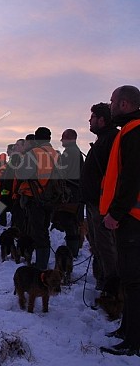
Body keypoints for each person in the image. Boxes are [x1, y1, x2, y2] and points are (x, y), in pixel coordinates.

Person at [99, 85, 140, 357]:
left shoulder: (134, 131)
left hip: (132, 217)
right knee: (128, 277)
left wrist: (116, 212)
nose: (110, 104)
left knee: (134, 280)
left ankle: (134, 340)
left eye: (113, 100)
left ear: (124, 104)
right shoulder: (128, 130)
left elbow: (131, 177)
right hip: (129, 216)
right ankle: (127, 329)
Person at [80, 103, 119, 295]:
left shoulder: (112, 139)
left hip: (103, 205)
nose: (89, 120)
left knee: (107, 246)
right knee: (97, 244)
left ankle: (112, 290)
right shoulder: (103, 139)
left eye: (93, 117)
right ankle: (103, 281)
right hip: (95, 202)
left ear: (102, 120)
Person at [16, 127, 59, 269]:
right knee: (44, 230)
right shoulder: (56, 154)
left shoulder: (34, 153)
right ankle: (42, 261)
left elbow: (21, 174)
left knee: (38, 232)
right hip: (51, 198)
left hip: (35, 198)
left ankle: (41, 266)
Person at [52, 129, 84, 257]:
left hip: (70, 194)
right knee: (72, 223)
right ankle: (73, 251)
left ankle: (72, 253)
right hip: (74, 193)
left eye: (63, 138)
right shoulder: (75, 152)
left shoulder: (70, 153)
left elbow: (61, 173)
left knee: (70, 223)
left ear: (69, 139)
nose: (62, 141)